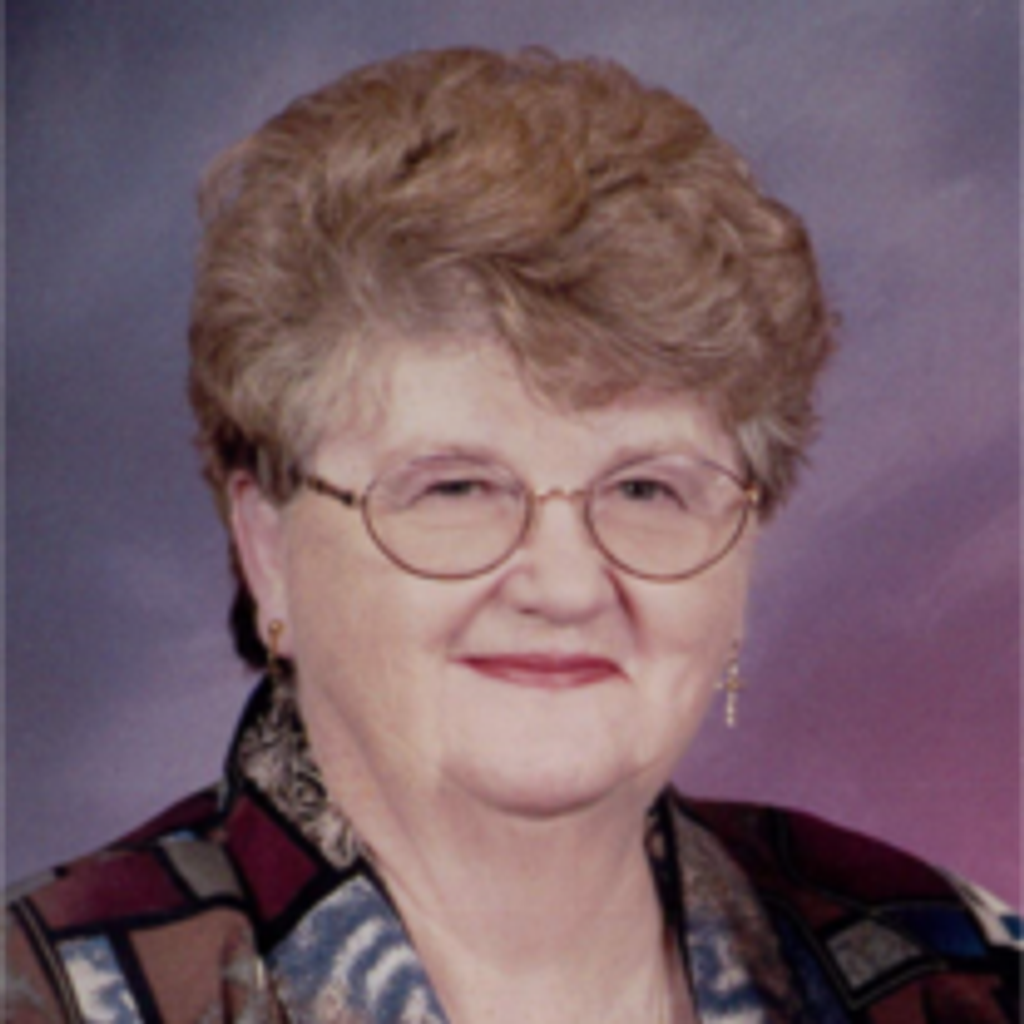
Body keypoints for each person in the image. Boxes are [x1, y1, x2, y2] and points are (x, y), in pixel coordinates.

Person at [1, 46, 1020, 1024]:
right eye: (456, 488)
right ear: (267, 546)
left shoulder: (961, 976)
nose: (564, 584)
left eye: (645, 489)